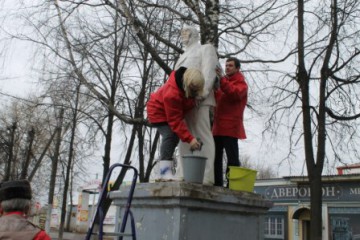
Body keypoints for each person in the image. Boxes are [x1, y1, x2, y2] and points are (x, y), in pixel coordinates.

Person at [175, 25, 219, 185]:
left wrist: (203, 93)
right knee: (184, 136)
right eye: (182, 32)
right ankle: (183, 172)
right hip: (184, 100)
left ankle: (206, 175)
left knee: (203, 134)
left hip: (200, 99)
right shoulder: (183, 55)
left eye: (187, 32)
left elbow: (209, 72)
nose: (184, 34)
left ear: (194, 34)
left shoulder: (205, 49)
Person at [147, 67, 204, 181]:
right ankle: (163, 173)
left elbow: (186, 102)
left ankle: (165, 171)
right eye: (192, 89)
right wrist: (190, 139)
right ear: (187, 83)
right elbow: (175, 121)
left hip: (168, 111)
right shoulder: (172, 94)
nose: (194, 92)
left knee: (174, 137)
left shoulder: (186, 83)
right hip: (158, 112)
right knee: (170, 135)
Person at [212, 57, 248, 187]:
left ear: (237, 68)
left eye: (230, 66)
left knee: (232, 158)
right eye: (226, 65)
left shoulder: (241, 84)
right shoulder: (224, 82)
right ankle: (217, 183)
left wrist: (221, 80)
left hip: (230, 127)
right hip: (218, 126)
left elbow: (234, 93)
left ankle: (232, 185)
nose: (227, 67)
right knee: (216, 157)